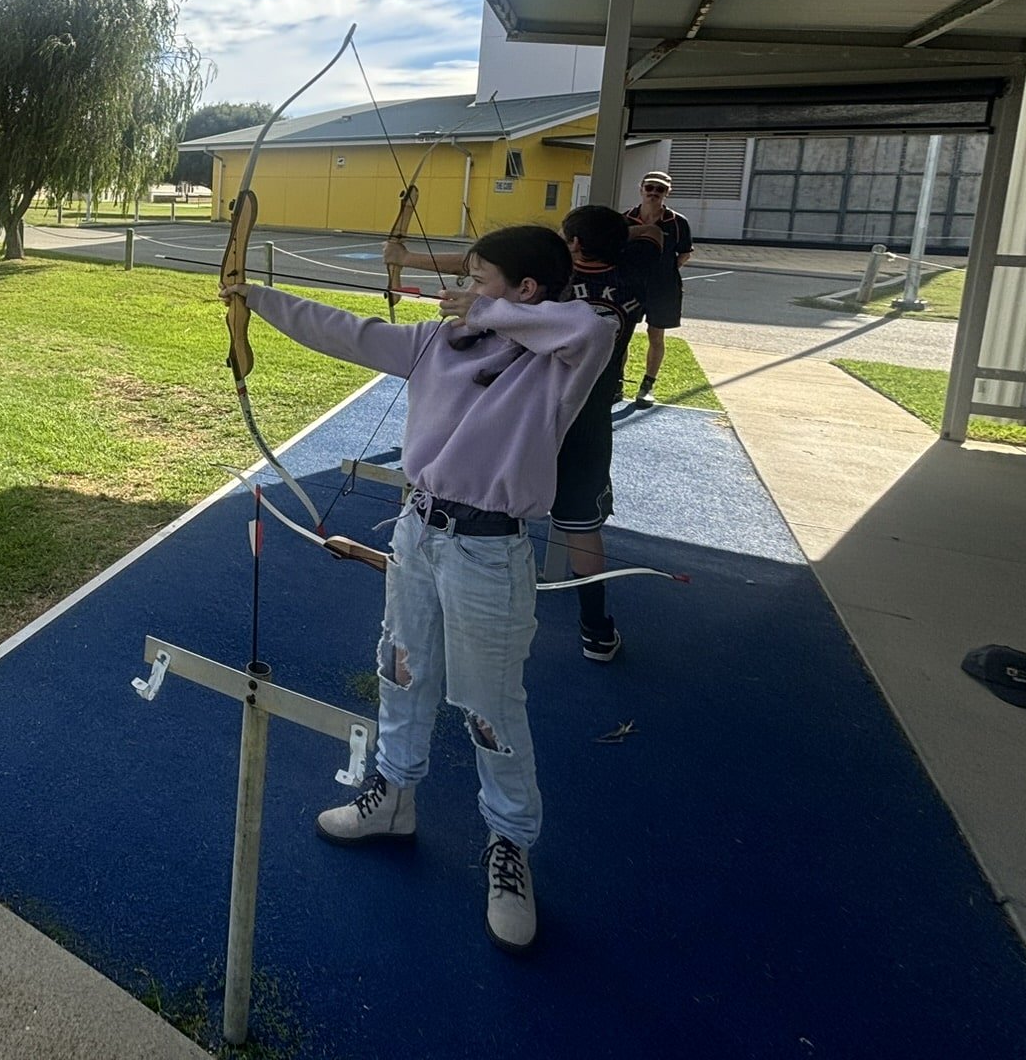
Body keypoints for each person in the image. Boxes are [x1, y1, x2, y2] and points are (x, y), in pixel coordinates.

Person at [221, 225, 618, 954]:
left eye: (479, 277)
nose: (461, 290)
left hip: (489, 550)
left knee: (489, 702)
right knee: (401, 668)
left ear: (526, 290)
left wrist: (484, 312)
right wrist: (255, 298)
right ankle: (394, 797)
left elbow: (588, 324)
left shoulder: (563, 359)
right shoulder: (437, 346)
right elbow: (349, 331)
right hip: (418, 531)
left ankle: (508, 846)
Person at [551, 205, 647, 662]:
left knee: (496, 512)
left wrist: (405, 258)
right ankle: (596, 633)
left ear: (574, 245)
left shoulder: (551, 290)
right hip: (589, 423)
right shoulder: (635, 278)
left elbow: (489, 267)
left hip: (533, 418)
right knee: (582, 529)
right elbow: (651, 237)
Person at [624, 171, 693, 407]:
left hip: (663, 288)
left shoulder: (678, 222)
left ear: (667, 192)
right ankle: (616, 383)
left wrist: (665, 269)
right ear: (641, 188)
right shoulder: (626, 219)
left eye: (659, 189)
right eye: (650, 187)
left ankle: (647, 386)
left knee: (656, 335)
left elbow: (684, 252)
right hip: (630, 286)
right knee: (623, 335)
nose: (654, 193)